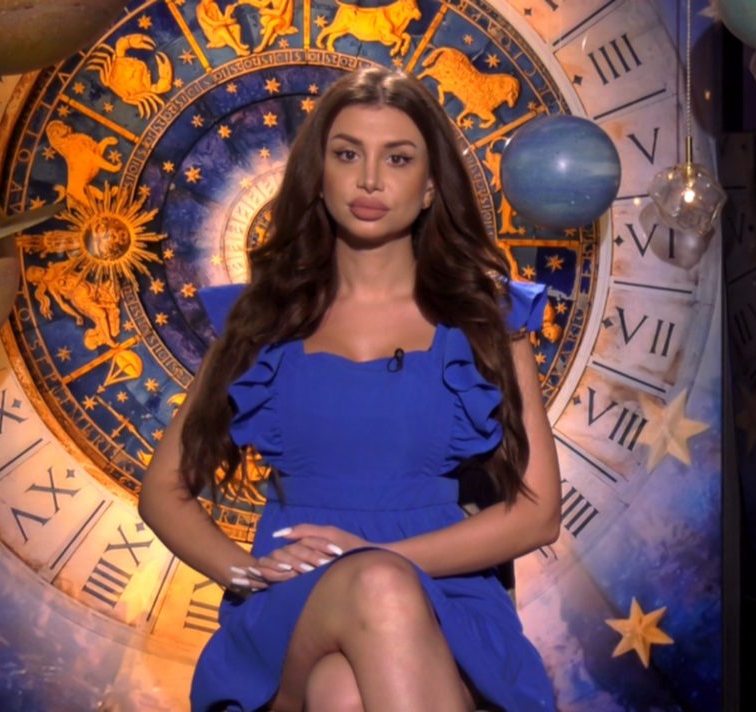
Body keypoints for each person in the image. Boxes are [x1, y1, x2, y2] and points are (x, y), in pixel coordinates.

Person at [138, 66, 561, 712]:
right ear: (319, 176)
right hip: (293, 606)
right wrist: (245, 574)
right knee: (378, 589)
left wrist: (380, 557)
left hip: (447, 591)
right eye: (347, 155)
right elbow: (162, 491)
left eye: (398, 158)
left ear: (430, 186)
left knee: (343, 689)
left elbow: (538, 513)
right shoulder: (260, 320)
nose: (369, 179)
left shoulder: (489, 319)